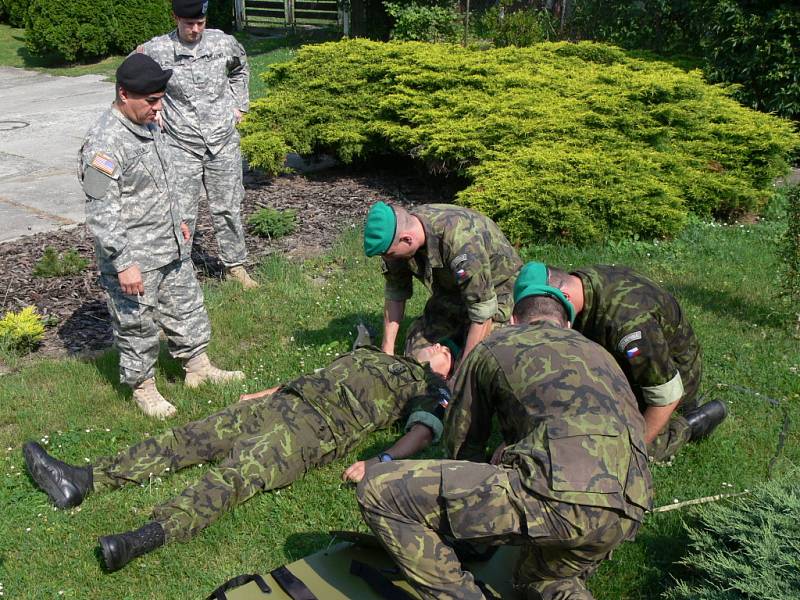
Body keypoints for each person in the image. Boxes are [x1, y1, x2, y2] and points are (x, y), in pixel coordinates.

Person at [23, 343, 455, 572]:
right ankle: (82, 480)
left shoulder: (430, 388)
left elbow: (421, 433)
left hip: (311, 432)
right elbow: (319, 377)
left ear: (446, 363)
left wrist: (379, 462)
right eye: (434, 340)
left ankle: (142, 538)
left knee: (232, 479)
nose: (435, 344)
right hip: (280, 403)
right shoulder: (372, 354)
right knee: (187, 437)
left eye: (443, 347)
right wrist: (267, 392)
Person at [357, 272, 653, 600]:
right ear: (567, 325)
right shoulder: (603, 357)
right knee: (538, 581)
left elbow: (463, 444)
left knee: (379, 491)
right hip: (627, 507)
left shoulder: (497, 344)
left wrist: (466, 528)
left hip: (559, 495)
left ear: (513, 320)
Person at [79, 53, 244, 419]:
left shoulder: (150, 124)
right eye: (151, 101)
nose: (159, 107)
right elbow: (101, 211)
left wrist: (179, 221)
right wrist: (123, 263)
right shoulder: (104, 145)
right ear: (124, 94)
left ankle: (198, 368)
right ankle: (144, 388)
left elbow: (162, 179)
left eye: (161, 98)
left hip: (170, 243)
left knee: (187, 308)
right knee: (138, 325)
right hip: (135, 257)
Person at [518, 261, 727, 461]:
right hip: (622, 357)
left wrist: (632, 455)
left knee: (612, 447)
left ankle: (690, 423)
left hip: (672, 376)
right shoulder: (581, 284)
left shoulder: (628, 326)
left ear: (564, 296)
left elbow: (666, 395)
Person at [137, 0, 257, 289]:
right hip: (181, 144)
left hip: (222, 141)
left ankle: (235, 265)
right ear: (176, 18)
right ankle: (181, 269)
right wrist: (155, 110)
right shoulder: (156, 49)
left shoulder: (223, 42)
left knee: (228, 207)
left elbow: (240, 68)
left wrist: (238, 105)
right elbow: (133, 78)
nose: (195, 29)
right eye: (189, 23)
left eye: (200, 23)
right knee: (182, 211)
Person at [363, 201, 522, 362]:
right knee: (417, 353)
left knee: (486, 358)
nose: (387, 259)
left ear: (407, 239)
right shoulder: (399, 238)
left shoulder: (461, 242)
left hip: (498, 295)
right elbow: (396, 291)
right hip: (453, 294)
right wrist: (387, 352)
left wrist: (461, 378)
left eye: (389, 254)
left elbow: (483, 311)